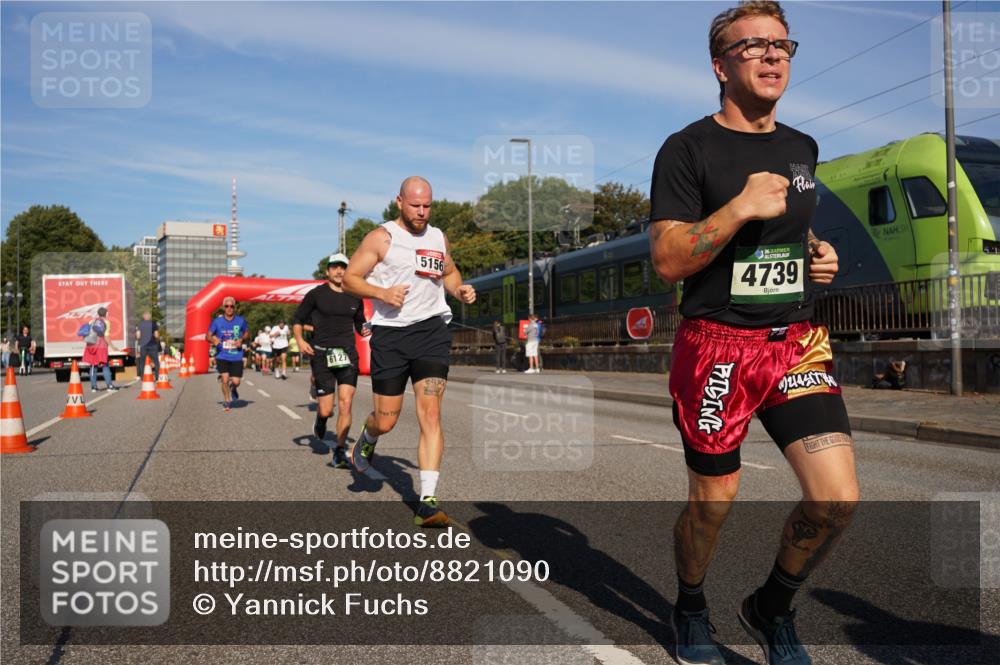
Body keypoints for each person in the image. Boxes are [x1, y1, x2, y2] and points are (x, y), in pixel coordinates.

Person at [647, 3, 857, 664]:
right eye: (753, 47)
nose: (773, 56)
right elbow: (668, 260)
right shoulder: (687, 149)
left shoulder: (802, 147)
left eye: (782, 45)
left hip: (794, 341)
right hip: (715, 348)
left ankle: (772, 606)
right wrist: (737, 206)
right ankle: (690, 605)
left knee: (837, 497)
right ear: (719, 65)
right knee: (714, 502)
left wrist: (816, 249)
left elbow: (787, 233)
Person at [344, 176, 476, 527]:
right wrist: (381, 294)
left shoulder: (437, 237)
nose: (422, 212)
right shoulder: (381, 237)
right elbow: (350, 279)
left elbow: (449, 271)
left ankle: (427, 500)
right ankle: (369, 436)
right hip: (391, 336)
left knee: (430, 414)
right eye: (415, 205)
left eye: (428, 205)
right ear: (399, 201)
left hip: (432, 331)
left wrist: (460, 289)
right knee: (387, 418)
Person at [294, 253, 370, 469]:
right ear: (327, 271)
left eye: (343, 267)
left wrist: (368, 329)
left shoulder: (355, 296)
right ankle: (321, 419)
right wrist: (299, 341)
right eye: (334, 267)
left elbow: (360, 325)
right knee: (327, 409)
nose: (339, 271)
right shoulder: (316, 294)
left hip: (347, 355)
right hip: (322, 355)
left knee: (346, 403)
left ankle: (338, 452)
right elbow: (298, 319)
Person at [208, 296, 249, 412]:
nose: (229, 308)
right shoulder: (217, 322)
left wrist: (241, 339)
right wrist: (213, 340)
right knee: (225, 379)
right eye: (227, 306)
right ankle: (227, 401)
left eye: (231, 306)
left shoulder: (240, 320)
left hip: (236, 355)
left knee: (236, 381)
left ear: (234, 307)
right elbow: (208, 336)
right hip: (222, 355)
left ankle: (233, 388)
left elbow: (247, 334)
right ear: (223, 307)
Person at [81, 309, 119, 391]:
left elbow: (87, 333)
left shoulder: (92, 321)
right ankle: (110, 386)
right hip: (101, 346)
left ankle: (93, 387)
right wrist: (112, 346)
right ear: (106, 313)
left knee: (93, 365)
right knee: (105, 365)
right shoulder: (106, 322)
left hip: (90, 345)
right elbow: (106, 336)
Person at [135, 310, 161, 378]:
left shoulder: (140, 324)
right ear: (150, 316)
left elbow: (138, 336)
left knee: (142, 362)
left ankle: (143, 377)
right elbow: (156, 335)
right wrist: (157, 340)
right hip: (153, 345)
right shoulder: (154, 323)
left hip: (143, 346)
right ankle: (158, 377)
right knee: (156, 361)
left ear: (143, 317)